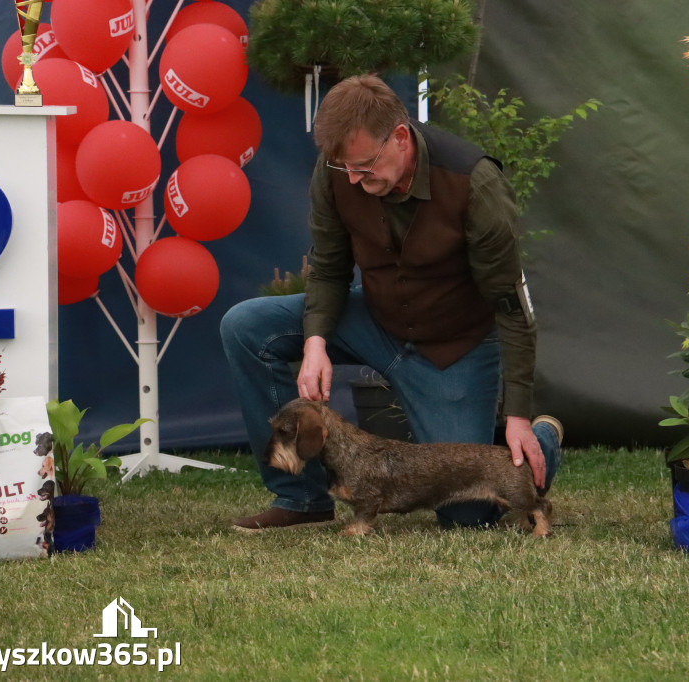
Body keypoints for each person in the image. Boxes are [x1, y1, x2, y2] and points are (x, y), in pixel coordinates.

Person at [221, 74, 562, 531]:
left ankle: (543, 437)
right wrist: (316, 342)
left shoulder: (474, 184)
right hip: (376, 321)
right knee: (245, 325)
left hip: (453, 346)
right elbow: (328, 267)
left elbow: (512, 307)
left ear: (400, 137)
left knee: (468, 515)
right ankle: (302, 500)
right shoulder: (338, 168)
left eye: (365, 167)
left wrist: (518, 416)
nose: (357, 182)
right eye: (348, 171)